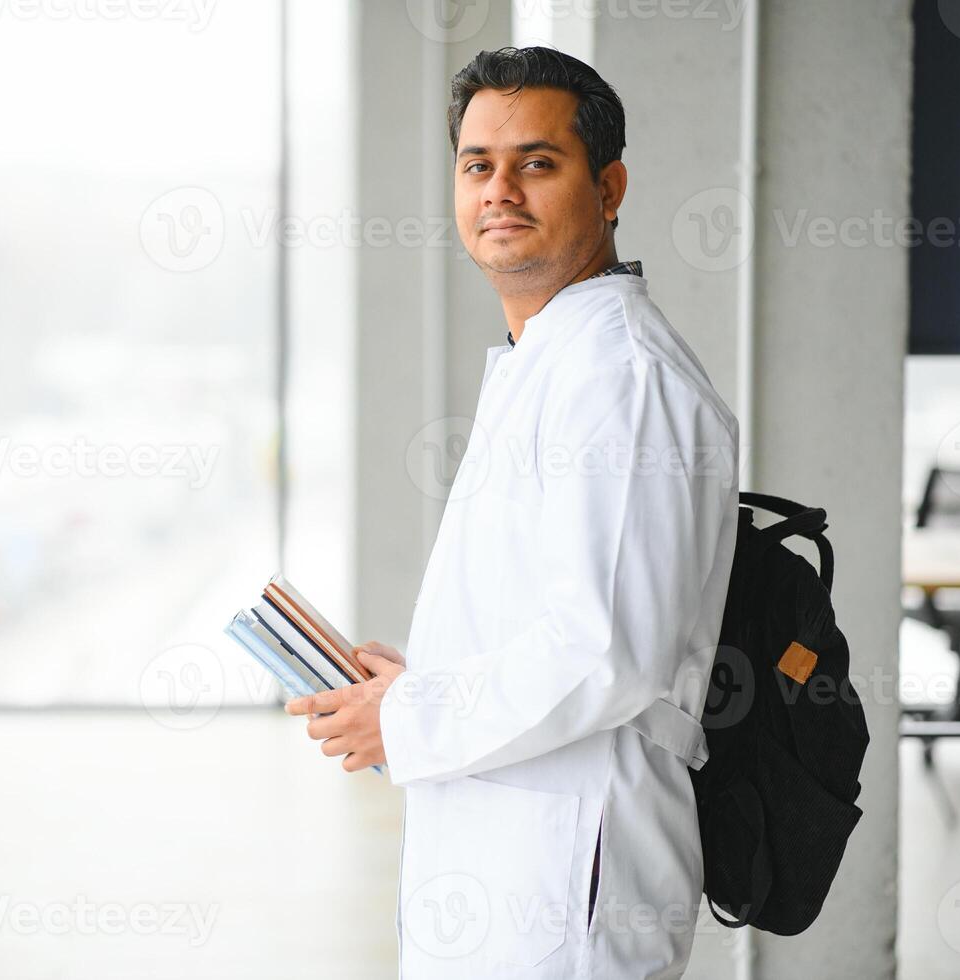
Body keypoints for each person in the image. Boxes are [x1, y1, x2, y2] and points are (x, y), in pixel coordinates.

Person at [284, 46, 740, 978]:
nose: (500, 190)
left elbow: (604, 651)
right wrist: (417, 685)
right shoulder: (549, 361)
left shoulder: (620, 381)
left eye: (537, 162)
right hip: (514, 870)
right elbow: (554, 610)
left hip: (570, 885)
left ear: (608, 187)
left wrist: (408, 722)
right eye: (476, 165)